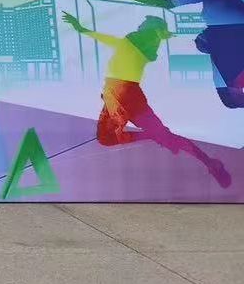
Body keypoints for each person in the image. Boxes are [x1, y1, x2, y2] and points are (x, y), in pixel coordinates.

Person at [64, 12, 232, 186]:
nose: (139, 26)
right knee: (152, 136)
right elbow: (111, 40)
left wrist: (83, 29)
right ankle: (206, 160)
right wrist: (82, 29)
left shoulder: (136, 40)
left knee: (110, 138)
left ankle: (197, 156)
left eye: (144, 24)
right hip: (122, 93)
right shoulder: (135, 44)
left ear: (150, 29)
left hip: (121, 93)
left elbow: (115, 40)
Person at [107, 0, 244, 107]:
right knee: (231, 95)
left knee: (230, 97)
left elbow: (167, 4)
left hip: (222, 40)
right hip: (224, 39)